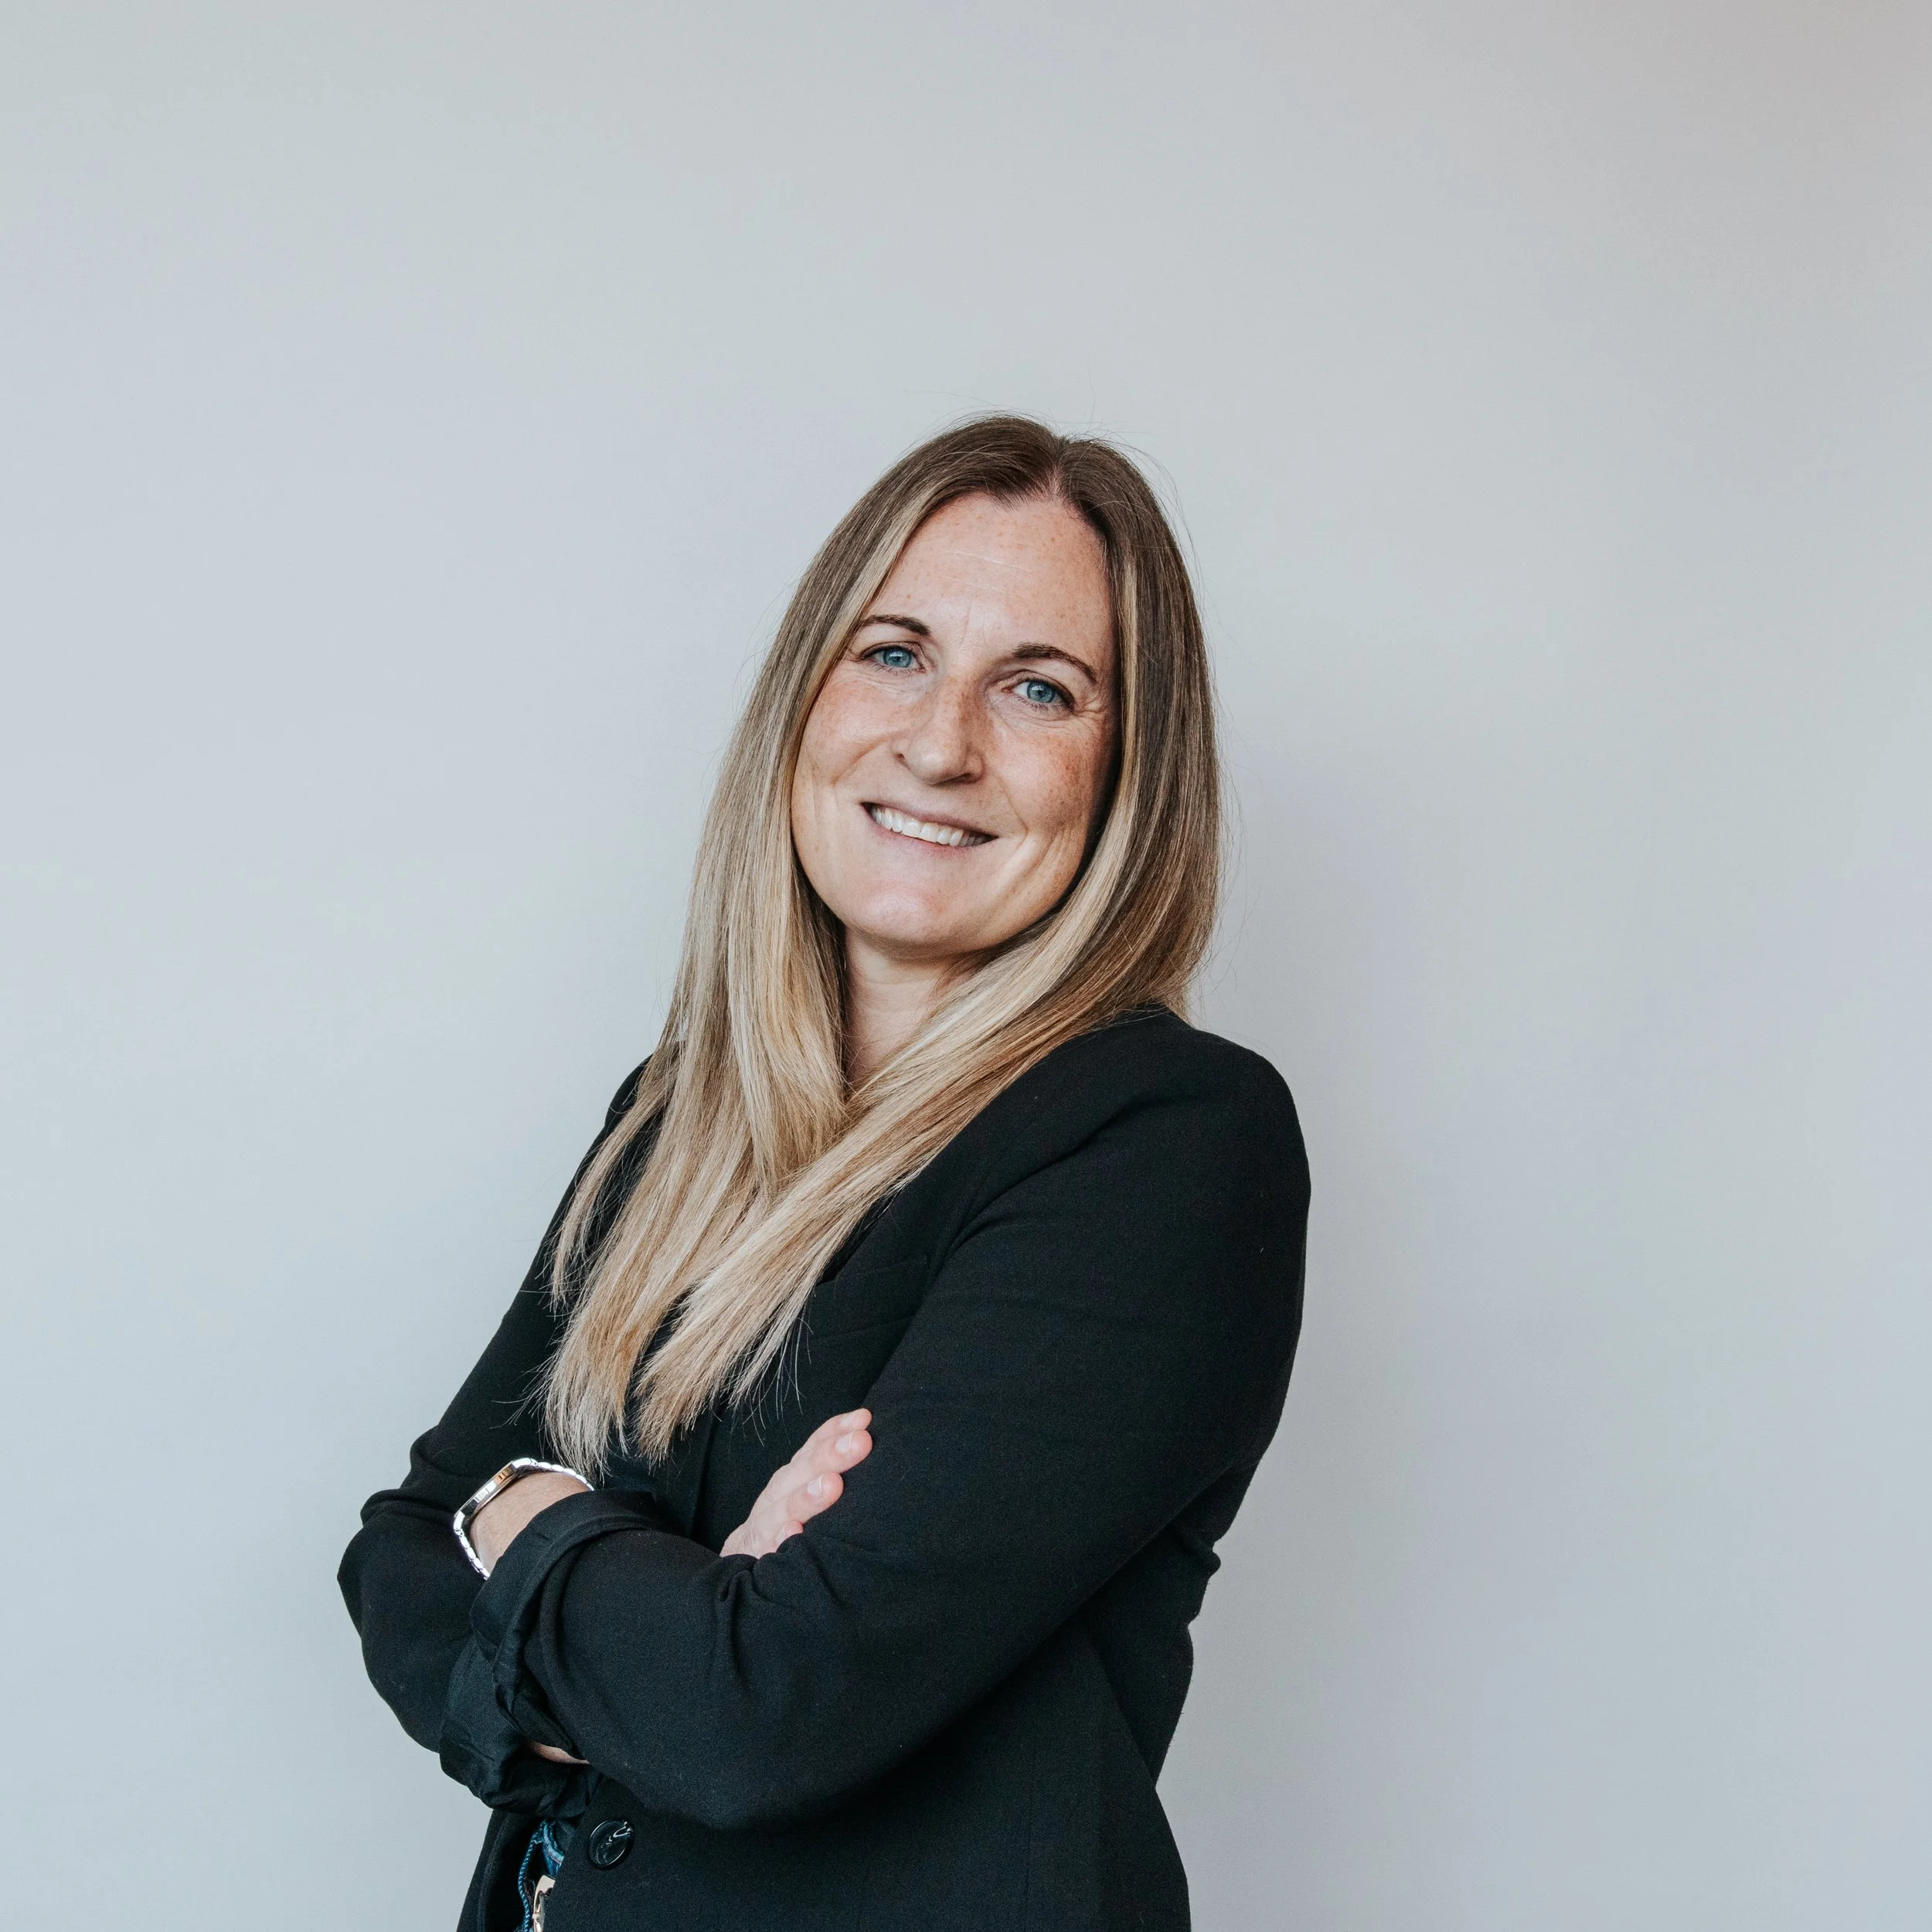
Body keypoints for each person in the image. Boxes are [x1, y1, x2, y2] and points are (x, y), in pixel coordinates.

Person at [339, 415, 1310, 1932]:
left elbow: (760, 1706)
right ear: (805, 694)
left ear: (1124, 774)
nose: (937, 743)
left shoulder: (1168, 1143)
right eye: (893, 653)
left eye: (1038, 687)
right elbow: (399, 1550)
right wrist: (663, 1608)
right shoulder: (674, 1120)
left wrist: (533, 1521)